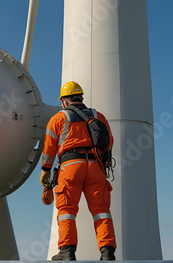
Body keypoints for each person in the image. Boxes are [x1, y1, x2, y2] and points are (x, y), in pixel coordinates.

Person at [40, 81, 116, 261]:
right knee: (101, 210)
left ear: (64, 101)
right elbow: (109, 141)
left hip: (70, 167)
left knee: (67, 210)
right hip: (96, 168)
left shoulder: (58, 119)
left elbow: (49, 149)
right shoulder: (99, 116)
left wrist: (46, 170)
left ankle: (67, 252)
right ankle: (107, 252)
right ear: (81, 98)